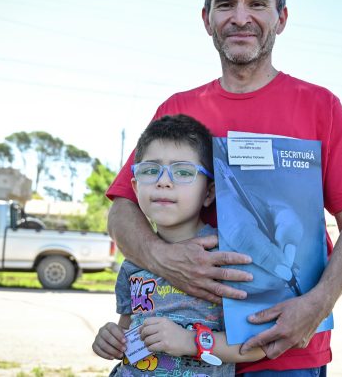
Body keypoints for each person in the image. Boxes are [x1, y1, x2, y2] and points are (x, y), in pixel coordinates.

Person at [102, 0, 342, 374]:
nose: (240, 17)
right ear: (206, 19)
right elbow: (122, 208)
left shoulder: (320, 107)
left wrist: (316, 305)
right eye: (225, 4)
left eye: (256, 3)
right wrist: (163, 257)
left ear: (281, 18)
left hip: (285, 348)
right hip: (180, 355)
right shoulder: (178, 109)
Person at [93, 114, 265, 376]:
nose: (164, 181)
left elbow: (256, 346)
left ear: (208, 192)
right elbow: (127, 331)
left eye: (183, 171)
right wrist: (111, 338)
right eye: (150, 170)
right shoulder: (134, 262)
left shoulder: (227, 259)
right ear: (136, 187)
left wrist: (189, 342)